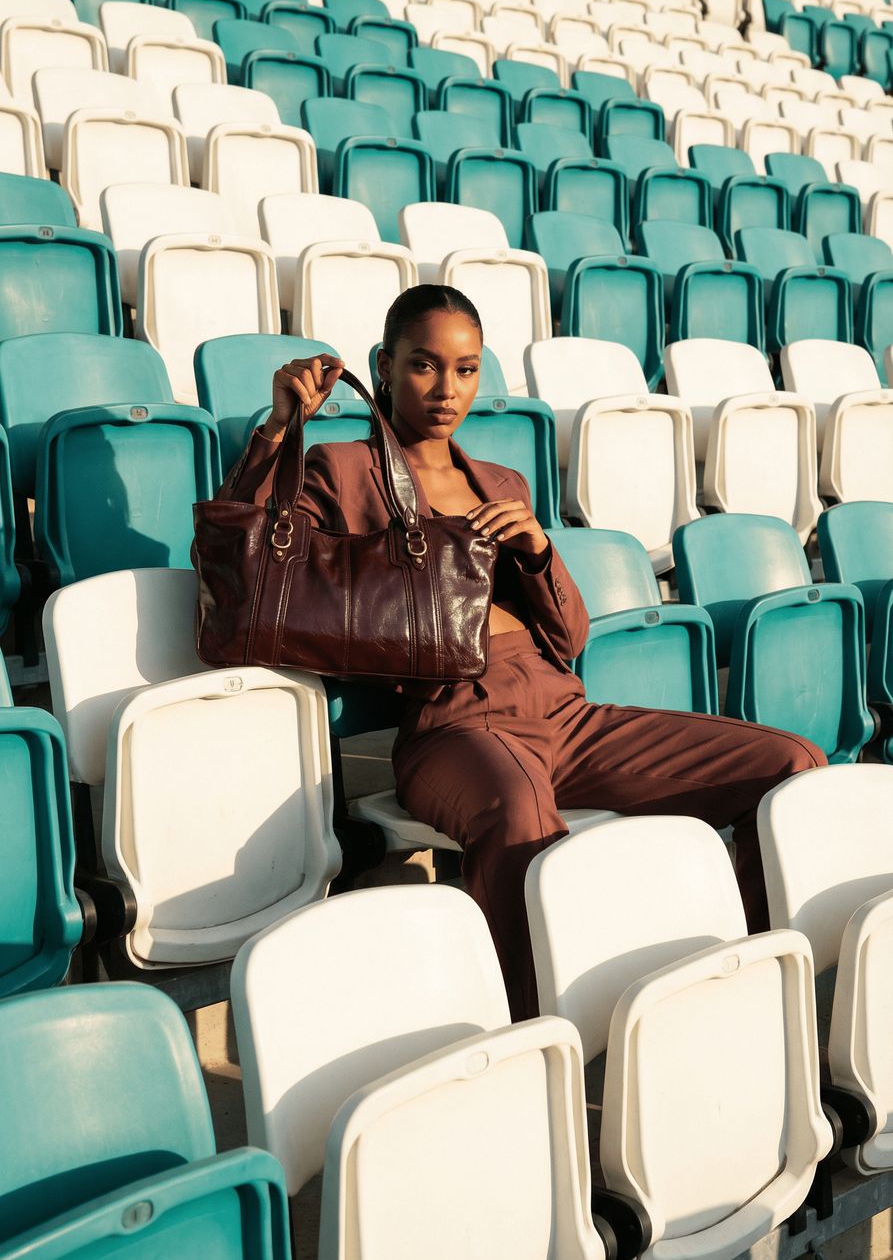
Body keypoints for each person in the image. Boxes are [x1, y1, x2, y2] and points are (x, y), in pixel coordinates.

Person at [221, 284, 826, 1019]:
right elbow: (248, 562)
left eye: (466, 369)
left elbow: (569, 638)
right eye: (424, 365)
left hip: (564, 714)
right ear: (384, 365)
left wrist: (536, 549)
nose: (447, 389)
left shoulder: (500, 483)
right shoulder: (342, 469)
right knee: (517, 811)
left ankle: (763, 986)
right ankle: (531, 1029)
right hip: (455, 728)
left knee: (791, 767)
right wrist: (279, 431)